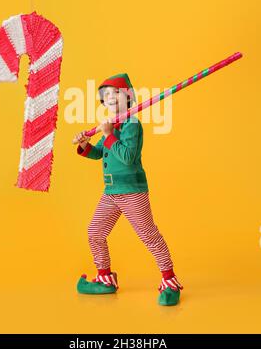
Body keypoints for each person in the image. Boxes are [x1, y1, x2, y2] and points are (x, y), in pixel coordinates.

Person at [74, 73, 183, 305]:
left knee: (148, 235)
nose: (110, 98)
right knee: (95, 232)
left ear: (129, 96)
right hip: (111, 192)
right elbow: (100, 153)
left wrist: (108, 134)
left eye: (115, 93)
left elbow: (127, 157)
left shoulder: (132, 125)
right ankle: (105, 279)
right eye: (106, 96)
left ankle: (169, 280)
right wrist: (85, 145)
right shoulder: (113, 125)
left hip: (132, 191)